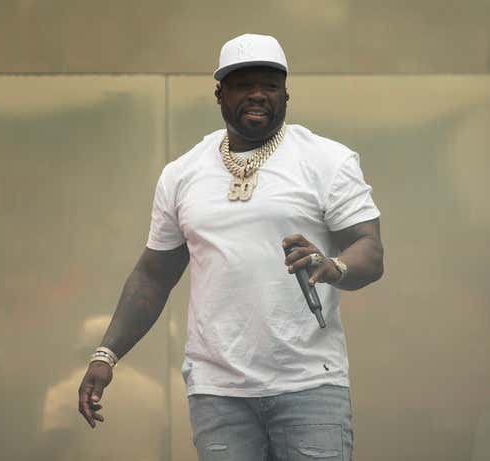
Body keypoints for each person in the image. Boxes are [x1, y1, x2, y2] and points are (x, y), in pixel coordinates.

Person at [77, 33, 384, 461]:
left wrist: (333, 266)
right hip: (219, 392)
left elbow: (369, 249)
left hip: (310, 383)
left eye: (270, 85)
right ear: (220, 94)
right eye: (244, 84)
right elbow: (153, 275)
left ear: (286, 95)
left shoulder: (327, 160)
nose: (258, 94)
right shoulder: (183, 173)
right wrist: (106, 354)